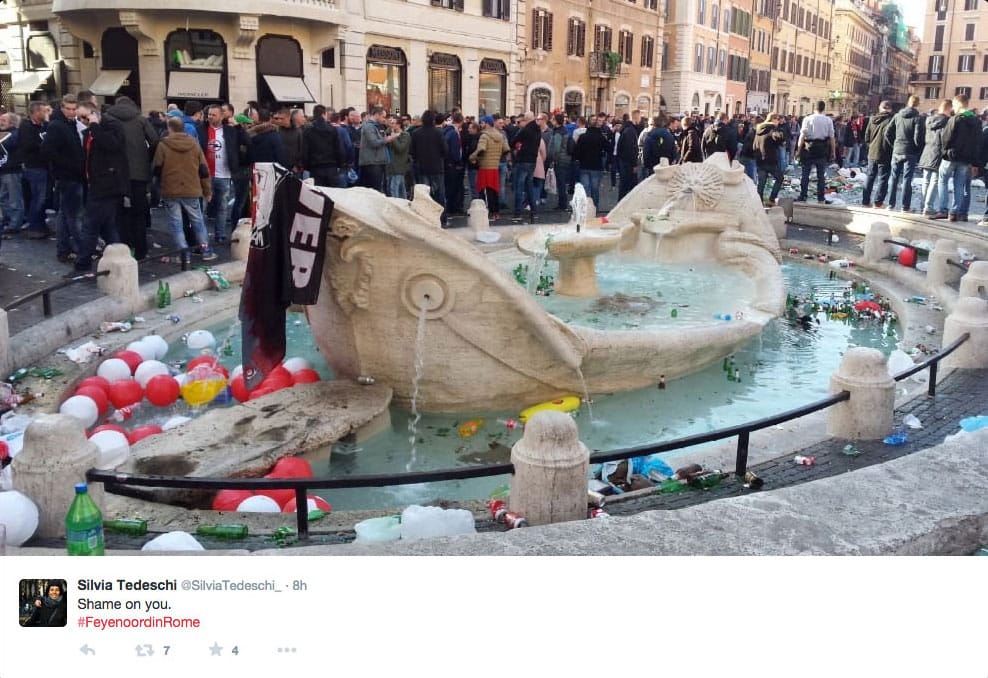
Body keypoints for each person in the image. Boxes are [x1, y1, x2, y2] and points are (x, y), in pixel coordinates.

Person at [72, 101, 129, 275]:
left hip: (106, 184)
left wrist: (95, 126)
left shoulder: (110, 125)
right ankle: (119, 259)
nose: (82, 120)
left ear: (93, 114)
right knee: (107, 226)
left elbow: (112, 145)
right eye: (79, 118)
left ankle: (83, 263)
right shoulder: (90, 131)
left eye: (84, 117)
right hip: (96, 183)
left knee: (91, 225)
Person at [153, 115, 215, 264]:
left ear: (169, 128)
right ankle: (206, 251)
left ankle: (183, 255)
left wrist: (159, 187)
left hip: (170, 190)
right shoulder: (194, 144)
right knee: (198, 221)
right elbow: (203, 170)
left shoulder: (163, 145)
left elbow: (157, 168)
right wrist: (207, 191)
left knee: (176, 224)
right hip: (192, 189)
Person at [107, 95, 159, 259]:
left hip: (116, 173)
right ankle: (141, 250)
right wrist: (146, 157)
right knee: (139, 213)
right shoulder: (140, 119)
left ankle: (125, 247)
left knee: (120, 213)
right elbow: (155, 140)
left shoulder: (108, 118)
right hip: (139, 172)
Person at [42, 94, 85, 264]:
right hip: (68, 176)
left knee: (64, 215)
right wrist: (69, 165)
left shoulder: (69, 124)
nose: (71, 112)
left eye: (74, 109)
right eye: (68, 109)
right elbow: (47, 151)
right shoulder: (57, 126)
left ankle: (64, 249)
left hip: (71, 175)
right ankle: (81, 248)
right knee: (73, 216)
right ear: (62, 108)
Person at [197, 104, 249, 244]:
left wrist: (238, 127)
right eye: (209, 114)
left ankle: (220, 234)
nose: (210, 117)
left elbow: (247, 141)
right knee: (202, 207)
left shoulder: (230, 130)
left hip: (224, 174)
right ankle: (201, 237)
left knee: (222, 206)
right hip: (205, 175)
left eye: (213, 115)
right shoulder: (201, 129)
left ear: (221, 116)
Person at [932, 93, 980, 222]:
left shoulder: (955, 119)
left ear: (958, 104)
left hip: (951, 156)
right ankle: (954, 212)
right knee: (959, 185)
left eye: (954, 104)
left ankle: (943, 210)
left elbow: (946, 137)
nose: (953, 107)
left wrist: (944, 152)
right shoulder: (976, 121)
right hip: (966, 159)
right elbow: (977, 143)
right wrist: (975, 162)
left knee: (942, 180)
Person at [15, 101, 50, 239]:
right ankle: (34, 227)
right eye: (43, 111)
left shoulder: (43, 126)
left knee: (42, 197)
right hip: (34, 167)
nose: (46, 113)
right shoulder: (26, 127)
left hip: (43, 166)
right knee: (38, 198)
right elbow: (29, 145)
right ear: (35, 112)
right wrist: (43, 144)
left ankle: (40, 224)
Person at [886, 95, 925, 213]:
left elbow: (887, 133)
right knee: (907, 179)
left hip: (897, 150)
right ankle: (905, 206)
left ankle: (890, 204)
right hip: (910, 152)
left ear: (908, 102)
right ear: (918, 104)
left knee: (894, 178)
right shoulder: (917, 118)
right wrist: (918, 150)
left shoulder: (897, 116)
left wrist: (894, 145)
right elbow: (917, 137)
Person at [409, 110, 447, 222]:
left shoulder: (416, 133)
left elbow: (412, 151)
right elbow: (445, 150)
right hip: (436, 166)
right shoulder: (438, 132)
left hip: (422, 167)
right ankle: (441, 218)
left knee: (425, 194)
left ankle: (426, 218)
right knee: (439, 194)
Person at [796, 101, 835, 203]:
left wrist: (798, 151)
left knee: (805, 174)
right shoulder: (828, 120)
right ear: (824, 108)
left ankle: (803, 195)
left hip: (808, 148)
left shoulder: (807, 119)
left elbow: (802, 136)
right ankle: (821, 197)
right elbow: (832, 137)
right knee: (821, 175)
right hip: (822, 149)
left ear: (814, 108)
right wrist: (833, 152)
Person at [470, 115, 507, 222]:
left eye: (482, 123)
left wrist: (472, 157)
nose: (481, 125)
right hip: (495, 167)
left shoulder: (484, 136)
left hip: (485, 166)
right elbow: (506, 149)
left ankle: (488, 213)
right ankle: (496, 212)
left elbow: (481, 149)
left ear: (486, 124)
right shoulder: (500, 135)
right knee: (494, 190)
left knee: (484, 190)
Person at [919, 99, 952, 217]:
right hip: (938, 153)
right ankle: (928, 207)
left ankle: (923, 205)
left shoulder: (929, 119)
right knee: (935, 181)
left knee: (926, 180)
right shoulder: (947, 121)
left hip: (927, 151)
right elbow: (945, 139)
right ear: (949, 108)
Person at [861, 101, 895, 209]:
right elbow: (892, 137)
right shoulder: (891, 120)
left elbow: (867, 137)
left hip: (872, 153)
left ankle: (865, 202)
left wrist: (871, 146)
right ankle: (878, 203)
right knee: (883, 179)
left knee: (870, 177)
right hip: (885, 153)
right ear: (890, 109)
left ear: (880, 108)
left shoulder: (872, 119)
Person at [302, 104, 345, 189]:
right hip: (331, 167)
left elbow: (305, 150)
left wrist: (307, 166)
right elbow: (338, 148)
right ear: (323, 114)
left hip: (315, 167)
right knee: (332, 193)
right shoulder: (332, 129)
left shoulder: (308, 130)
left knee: (318, 193)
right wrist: (340, 164)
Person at [511, 111, 542, 223]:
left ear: (526, 119)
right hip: (532, 160)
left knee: (519, 186)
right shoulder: (538, 130)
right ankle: (534, 211)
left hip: (523, 159)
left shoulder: (526, 130)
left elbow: (514, 141)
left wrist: (516, 147)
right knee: (529, 186)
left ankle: (518, 212)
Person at [573, 116, 608, 208]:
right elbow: (608, 148)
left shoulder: (582, 137)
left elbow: (577, 151)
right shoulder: (601, 137)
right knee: (595, 188)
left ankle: (586, 207)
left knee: (585, 188)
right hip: (596, 165)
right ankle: (595, 206)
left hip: (584, 165)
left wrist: (578, 159)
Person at [753, 114, 787, 207]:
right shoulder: (772, 129)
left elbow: (754, 145)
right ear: (773, 119)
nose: (778, 121)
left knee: (762, 182)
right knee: (780, 178)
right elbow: (780, 139)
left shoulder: (759, 129)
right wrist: (781, 136)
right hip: (770, 159)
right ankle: (771, 199)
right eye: (777, 119)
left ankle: (759, 202)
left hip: (760, 159)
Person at [0, 112, 24, 239]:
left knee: (14, 199)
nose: (1, 122)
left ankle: (15, 224)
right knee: (3, 198)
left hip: (12, 170)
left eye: (3, 120)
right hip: (4, 169)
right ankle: (8, 220)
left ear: (12, 122)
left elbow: (7, 144)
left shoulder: (15, 134)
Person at [385, 115, 411, 198]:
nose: (391, 125)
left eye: (393, 123)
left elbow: (400, 148)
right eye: (390, 123)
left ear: (399, 125)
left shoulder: (405, 135)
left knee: (394, 188)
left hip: (399, 166)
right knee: (400, 188)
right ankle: (404, 202)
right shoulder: (389, 133)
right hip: (390, 166)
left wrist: (393, 138)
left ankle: (396, 204)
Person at [615, 119, 639, 200]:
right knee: (627, 184)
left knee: (624, 184)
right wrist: (634, 164)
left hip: (623, 161)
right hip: (628, 163)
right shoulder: (630, 132)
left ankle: (622, 200)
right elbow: (631, 149)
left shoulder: (625, 131)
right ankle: (624, 201)